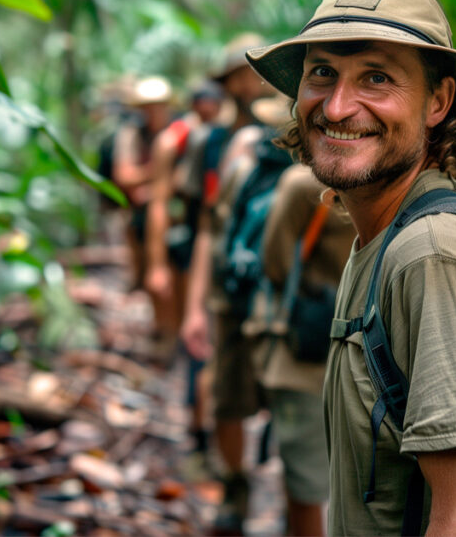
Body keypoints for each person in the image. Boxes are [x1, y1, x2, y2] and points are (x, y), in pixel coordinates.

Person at [245, 0, 456, 535]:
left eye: (377, 79)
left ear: (438, 102)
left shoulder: (437, 256)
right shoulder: (382, 241)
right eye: (322, 73)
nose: (337, 107)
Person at [179, 34, 275, 535]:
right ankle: (236, 487)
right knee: (226, 393)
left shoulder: (294, 129)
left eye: (259, 71)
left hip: (284, 291)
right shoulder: (212, 141)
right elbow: (204, 228)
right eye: (242, 72)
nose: (251, 81)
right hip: (229, 287)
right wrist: (193, 305)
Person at [246, 94, 354, 537]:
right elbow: (276, 262)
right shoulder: (302, 186)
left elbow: (274, 261)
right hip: (311, 346)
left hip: (342, 346)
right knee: (309, 474)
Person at [144, 80, 226, 361]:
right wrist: (156, 265)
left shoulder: (227, 134)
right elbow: (159, 203)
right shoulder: (172, 141)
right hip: (187, 230)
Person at [111, 74, 173, 294]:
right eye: (148, 107)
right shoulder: (131, 134)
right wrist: (158, 171)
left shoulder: (177, 132)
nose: (154, 112)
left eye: (158, 106)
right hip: (139, 211)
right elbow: (124, 176)